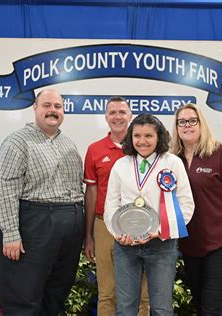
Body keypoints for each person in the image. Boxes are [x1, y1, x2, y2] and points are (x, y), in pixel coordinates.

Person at [0, 88, 84, 315]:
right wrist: (10, 234)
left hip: (69, 226)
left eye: (57, 107)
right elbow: (6, 191)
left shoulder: (69, 144)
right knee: (24, 297)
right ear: (35, 108)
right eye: (47, 105)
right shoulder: (17, 142)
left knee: (56, 294)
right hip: (35, 223)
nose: (52, 111)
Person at [104, 114, 195, 315]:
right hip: (126, 246)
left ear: (159, 137)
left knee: (161, 308)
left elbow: (186, 204)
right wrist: (118, 233)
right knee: (125, 308)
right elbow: (111, 203)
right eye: (137, 135)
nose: (142, 141)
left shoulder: (172, 163)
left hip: (162, 244)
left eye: (148, 136)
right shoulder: (121, 165)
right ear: (130, 137)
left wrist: (162, 230)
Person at [171, 103, 222, 316]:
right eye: (182, 122)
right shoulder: (172, 159)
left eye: (192, 120)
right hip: (189, 245)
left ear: (201, 123)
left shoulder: (219, 152)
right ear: (176, 127)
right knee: (201, 306)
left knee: (213, 309)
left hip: (221, 245)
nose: (187, 125)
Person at [83, 97, 150, 315]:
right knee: (107, 293)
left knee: (143, 295)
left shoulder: (144, 147)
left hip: (139, 224)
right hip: (104, 225)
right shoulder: (94, 150)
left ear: (130, 116)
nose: (117, 116)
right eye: (112, 112)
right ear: (106, 117)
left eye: (122, 112)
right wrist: (89, 235)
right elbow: (91, 193)